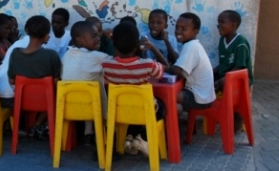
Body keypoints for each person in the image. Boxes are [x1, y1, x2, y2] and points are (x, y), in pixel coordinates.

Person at [102, 22, 167, 157]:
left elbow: (108, 78)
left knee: (135, 107)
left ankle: (130, 137)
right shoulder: (148, 64)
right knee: (161, 106)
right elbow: (163, 70)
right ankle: (142, 137)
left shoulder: (106, 65)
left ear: (114, 44)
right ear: (138, 45)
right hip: (143, 111)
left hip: (118, 111)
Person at [8, 15, 62, 139]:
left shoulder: (15, 53)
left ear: (27, 31)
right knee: (56, 93)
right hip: (46, 103)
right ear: (47, 35)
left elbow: (11, 80)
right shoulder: (51, 55)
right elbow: (57, 84)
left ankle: (37, 125)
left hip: (21, 102)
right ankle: (43, 125)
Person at [62, 21, 112, 145]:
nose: (99, 38)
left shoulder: (67, 54)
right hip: (94, 111)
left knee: (87, 86)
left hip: (68, 108)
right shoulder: (98, 57)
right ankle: (106, 136)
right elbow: (115, 65)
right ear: (80, 41)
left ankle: (88, 133)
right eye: (94, 36)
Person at [167, 12, 216, 116]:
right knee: (171, 99)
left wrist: (161, 67)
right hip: (203, 96)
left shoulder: (191, 47)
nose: (178, 31)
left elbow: (176, 70)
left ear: (195, 32)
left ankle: (168, 129)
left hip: (199, 98)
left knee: (165, 95)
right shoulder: (192, 45)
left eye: (183, 29)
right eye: (177, 27)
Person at [214, 10, 253, 133]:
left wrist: (221, 80)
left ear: (233, 24)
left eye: (222, 22)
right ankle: (213, 113)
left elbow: (240, 68)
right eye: (218, 22)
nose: (219, 25)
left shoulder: (240, 42)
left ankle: (237, 117)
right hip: (226, 76)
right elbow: (223, 64)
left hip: (240, 79)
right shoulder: (222, 40)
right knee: (206, 77)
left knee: (223, 82)